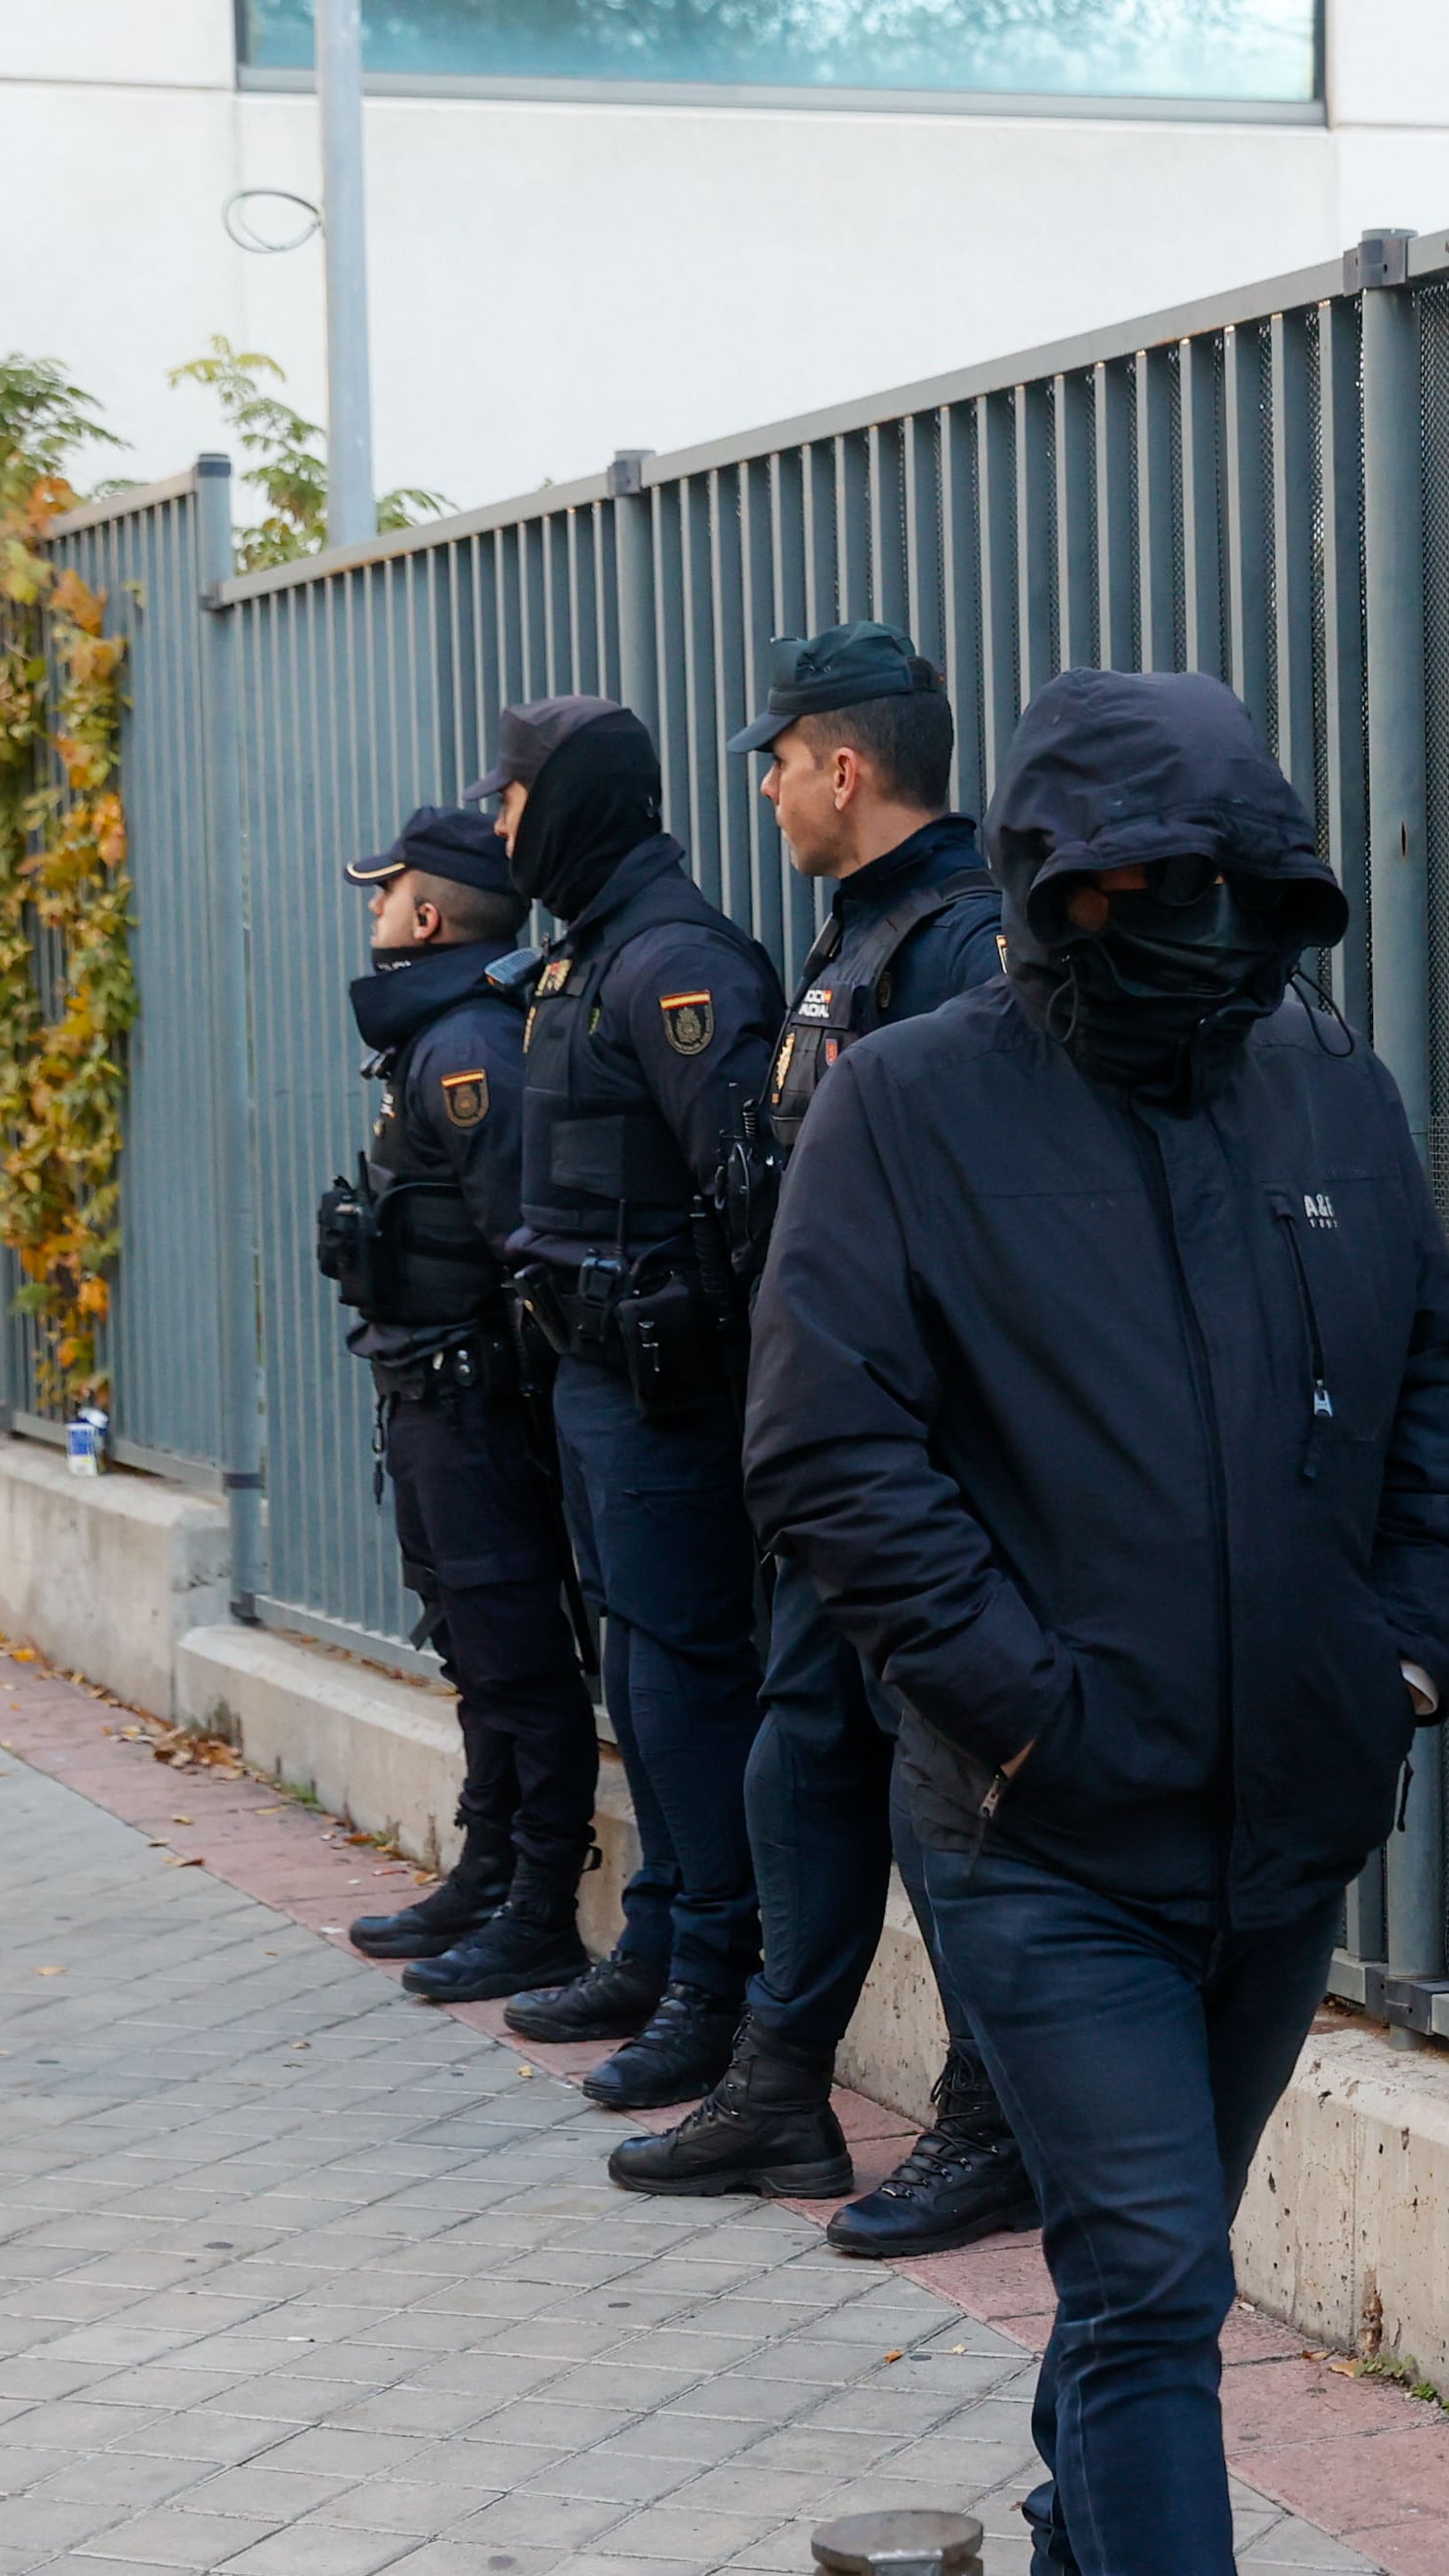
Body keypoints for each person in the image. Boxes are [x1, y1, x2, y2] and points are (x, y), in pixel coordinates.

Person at [754, 668, 1449, 2576]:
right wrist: (1021, 1710)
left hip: (1289, 1812)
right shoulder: (904, 1108)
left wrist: (1404, 1651)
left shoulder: (1326, 1087)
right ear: (1053, 892)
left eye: (1234, 895)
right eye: (1138, 892)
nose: (1190, 930)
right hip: (1039, 1827)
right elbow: (826, 1449)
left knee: (1139, 2258)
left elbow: (1440, 1393)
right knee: (1156, 2266)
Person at [610, 626, 1027, 2241]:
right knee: (806, 1758)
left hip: (925, 1463)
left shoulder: (967, 945)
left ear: (841, 768)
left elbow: (997, 1228)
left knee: (940, 1798)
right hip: (835, 1452)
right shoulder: (860, 938)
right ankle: (785, 2083)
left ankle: (991, 2119)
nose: (768, 790)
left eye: (777, 762)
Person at [485, 694, 783, 2112]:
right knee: (639, 1679)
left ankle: (716, 1989)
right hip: (593, 1380)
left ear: (575, 803)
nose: (498, 824)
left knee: (684, 1683)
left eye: (514, 797)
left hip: (670, 1396)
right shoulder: (587, 957)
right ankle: (662, 1935)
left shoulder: (677, 962)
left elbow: (755, 1196)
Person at [319, 805, 601, 2006]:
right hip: (429, 1390)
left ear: (426, 916)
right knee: (472, 1646)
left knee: (514, 1651)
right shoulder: (436, 1037)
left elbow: (513, 1249)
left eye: (383, 894)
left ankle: (538, 1906)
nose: (371, 910)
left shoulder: (470, 1045)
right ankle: (486, 1867)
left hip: (470, 1400)